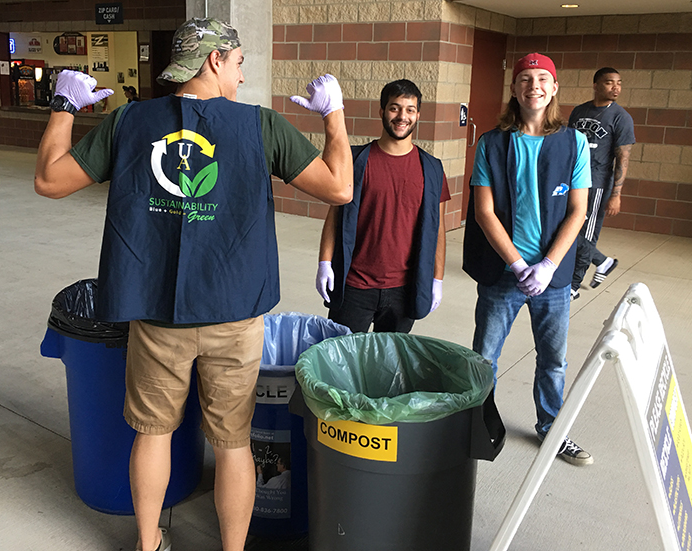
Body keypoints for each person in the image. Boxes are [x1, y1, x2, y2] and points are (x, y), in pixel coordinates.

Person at [34, 17, 352, 551]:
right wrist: (334, 115)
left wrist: (64, 106)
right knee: (232, 443)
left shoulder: (129, 121)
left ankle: (147, 542)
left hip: (156, 315)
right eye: (239, 61)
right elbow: (340, 187)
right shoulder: (262, 126)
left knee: (153, 432)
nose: (242, 73)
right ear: (214, 60)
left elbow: (49, 179)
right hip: (234, 313)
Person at [462, 53, 592, 466]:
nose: (533, 85)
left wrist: (548, 265)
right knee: (484, 356)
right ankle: (478, 426)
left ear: (554, 88)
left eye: (542, 79)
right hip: (504, 273)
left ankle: (552, 428)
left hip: (551, 280)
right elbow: (484, 212)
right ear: (514, 89)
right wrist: (519, 265)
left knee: (553, 360)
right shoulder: (492, 143)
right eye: (524, 79)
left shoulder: (573, 143)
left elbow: (578, 211)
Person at [315, 79, 450, 333]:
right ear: (381, 112)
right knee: (341, 363)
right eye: (394, 108)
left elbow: (438, 229)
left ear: (418, 115)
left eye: (410, 109)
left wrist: (437, 278)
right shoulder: (355, 161)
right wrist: (325, 262)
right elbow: (335, 217)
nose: (402, 116)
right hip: (355, 285)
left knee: (388, 367)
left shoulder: (431, 169)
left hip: (404, 289)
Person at [568, 67, 634, 298]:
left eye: (619, 83)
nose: (616, 88)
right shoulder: (579, 111)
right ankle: (603, 261)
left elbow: (623, 158)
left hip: (597, 183)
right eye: (609, 83)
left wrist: (616, 194)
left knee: (586, 234)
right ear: (596, 85)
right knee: (565, 228)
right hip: (573, 180)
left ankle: (573, 286)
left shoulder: (621, 117)